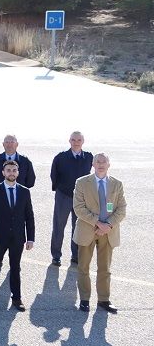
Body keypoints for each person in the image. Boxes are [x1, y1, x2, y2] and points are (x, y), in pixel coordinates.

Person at [72, 153, 126, 313]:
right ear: (93, 164)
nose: (101, 164)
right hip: (88, 229)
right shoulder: (82, 183)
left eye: (104, 161)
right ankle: (84, 300)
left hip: (108, 232)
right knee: (83, 267)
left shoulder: (117, 184)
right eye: (98, 161)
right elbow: (79, 208)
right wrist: (98, 223)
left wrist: (108, 225)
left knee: (105, 268)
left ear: (109, 164)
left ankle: (104, 300)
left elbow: (121, 209)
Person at [0, 160, 35, 312]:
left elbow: (29, 216)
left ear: (18, 173)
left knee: (15, 267)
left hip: (18, 238)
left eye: (14, 170)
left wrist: (30, 238)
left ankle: (17, 298)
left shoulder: (25, 191)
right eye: (8, 170)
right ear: (3, 173)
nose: (11, 173)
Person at [49, 131, 93, 267]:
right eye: (73, 140)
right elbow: (53, 175)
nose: (76, 142)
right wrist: (60, 190)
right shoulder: (61, 157)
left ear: (83, 141)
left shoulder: (89, 157)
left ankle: (76, 255)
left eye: (79, 140)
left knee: (78, 227)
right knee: (59, 226)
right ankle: (56, 256)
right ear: (69, 141)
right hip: (64, 196)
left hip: (81, 198)